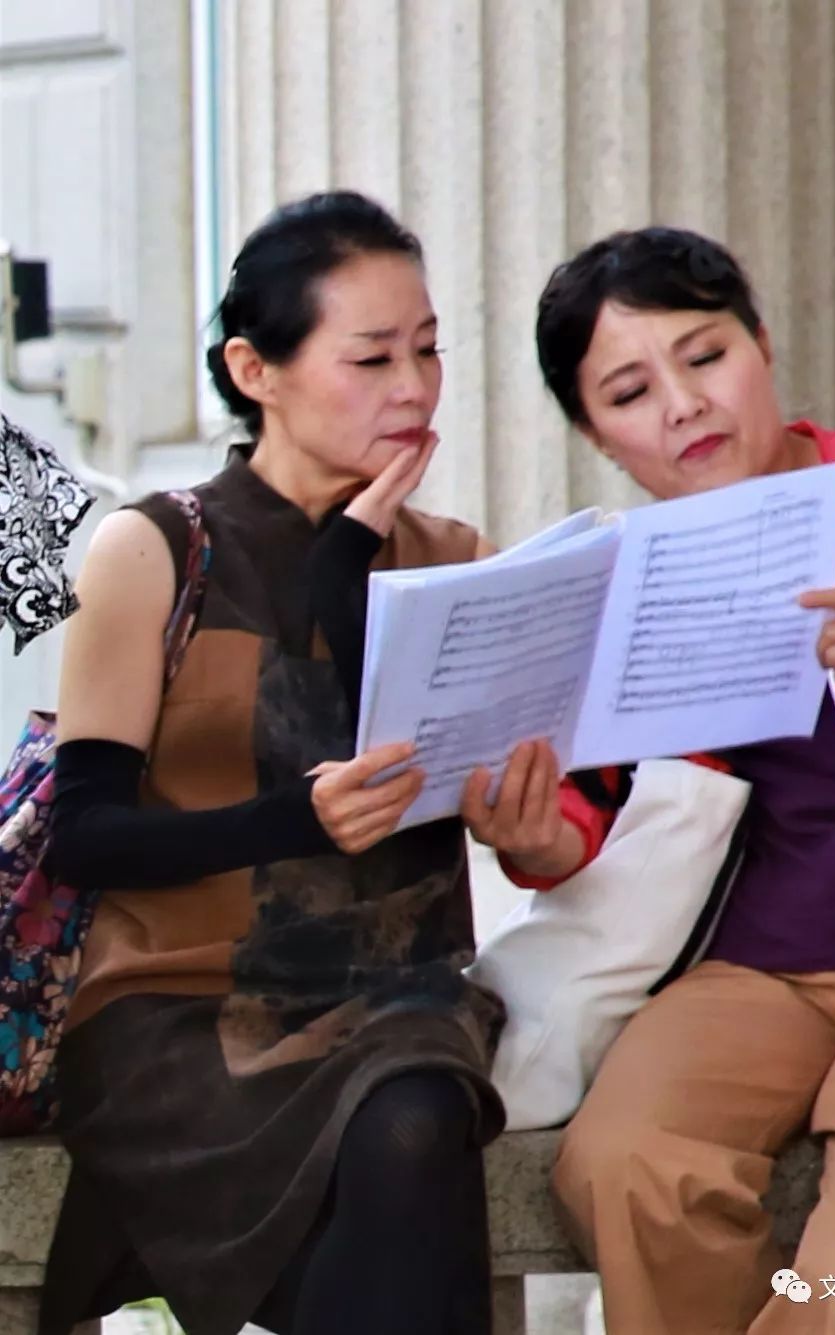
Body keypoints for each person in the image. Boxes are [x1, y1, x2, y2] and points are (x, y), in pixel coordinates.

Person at [488, 226, 835, 1334]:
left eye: (704, 356)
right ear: (596, 434)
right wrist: (534, 839)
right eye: (629, 393)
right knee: (622, 1166)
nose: (682, 405)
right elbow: (590, 810)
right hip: (749, 972)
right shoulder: (633, 579)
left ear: (760, 343)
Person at [39, 190, 553, 1335]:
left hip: (400, 997)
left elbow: (524, 814)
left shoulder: (456, 560)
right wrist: (294, 820)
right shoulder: (155, 549)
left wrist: (524, 829)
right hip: (182, 1008)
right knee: (405, 1161)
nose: (413, 388)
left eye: (427, 351)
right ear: (254, 369)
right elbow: (85, 836)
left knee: (416, 1111)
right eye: (370, 357)